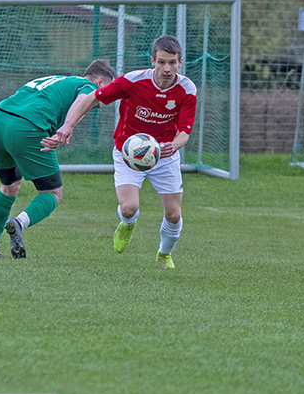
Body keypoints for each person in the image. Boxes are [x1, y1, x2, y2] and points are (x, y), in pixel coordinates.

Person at [42, 35, 197, 269]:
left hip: (164, 155)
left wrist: (174, 145)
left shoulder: (186, 88)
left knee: (174, 214)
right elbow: (94, 96)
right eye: (162, 62)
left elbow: (185, 132)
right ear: (152, 61)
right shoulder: (133, 81)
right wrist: (68, 125)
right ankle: (127, 224)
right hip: (128, 153)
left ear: (180, 62)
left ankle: (164, 255)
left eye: (172, 63)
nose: (167, 68)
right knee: (129, 207)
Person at [0, 59, 117, 258]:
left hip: (0, 122)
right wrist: (67, 127)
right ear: (99, 82)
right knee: (53, 193)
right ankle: (19, 223)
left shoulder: (54, 80)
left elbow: (19, 107)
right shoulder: (87, 87)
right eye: (109, 89)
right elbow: (83, 100)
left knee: (9, 188)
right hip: (27, 129)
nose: (107, 97)